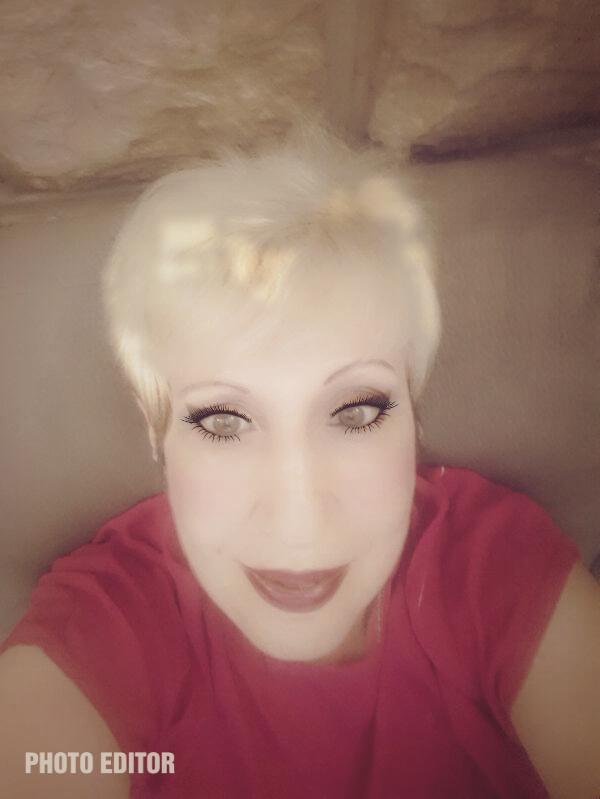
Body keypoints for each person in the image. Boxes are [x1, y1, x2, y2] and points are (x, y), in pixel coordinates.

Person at [0, 121, 599, 799]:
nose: (299, 522)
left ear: (414, 407)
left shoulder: (489, 569)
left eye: (356, 412)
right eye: (223, 421)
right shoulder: (113, 620)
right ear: (157, 429)